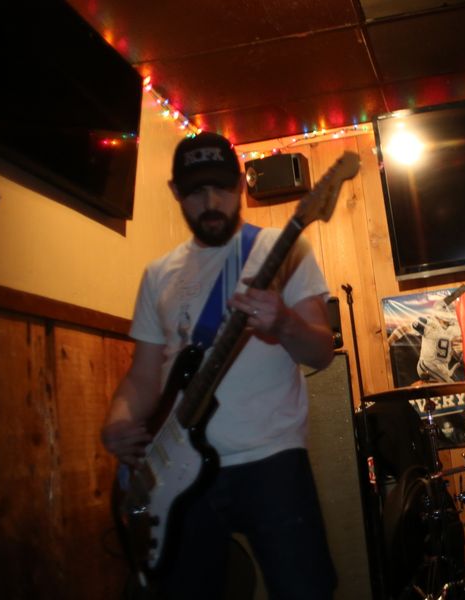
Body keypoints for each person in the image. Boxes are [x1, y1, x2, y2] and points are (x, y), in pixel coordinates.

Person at [100, 132, 337, 599]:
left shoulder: (284, 249)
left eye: (222, 188)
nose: (211, 202)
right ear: (175, 192)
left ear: (242, 185)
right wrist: (118, 419)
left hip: (272, 460)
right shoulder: (158, 275)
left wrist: (285, 323)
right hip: (176, 474)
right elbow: (144, 376)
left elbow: (321, 352)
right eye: (195, 191)